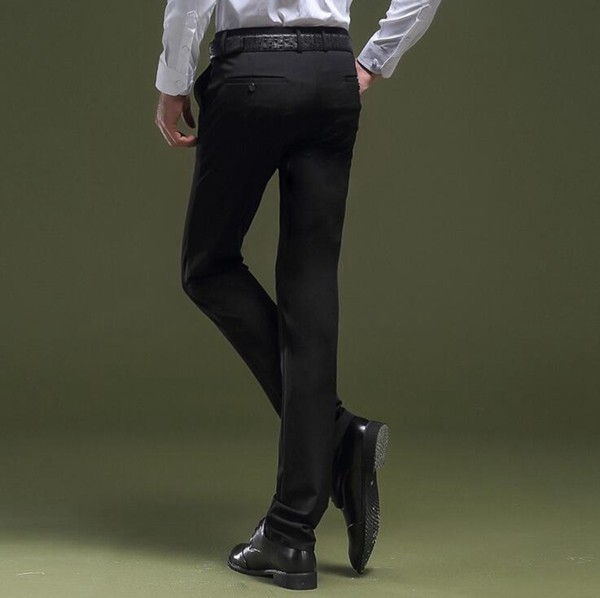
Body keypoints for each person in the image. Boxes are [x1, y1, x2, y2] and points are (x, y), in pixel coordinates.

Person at [155, 0, 442, 590]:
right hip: (332, 76)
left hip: (251, 73)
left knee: (207, 267)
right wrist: (373, 60)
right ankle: (290, 532)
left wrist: (173, 81)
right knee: (311, 288)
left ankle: (336, 443)